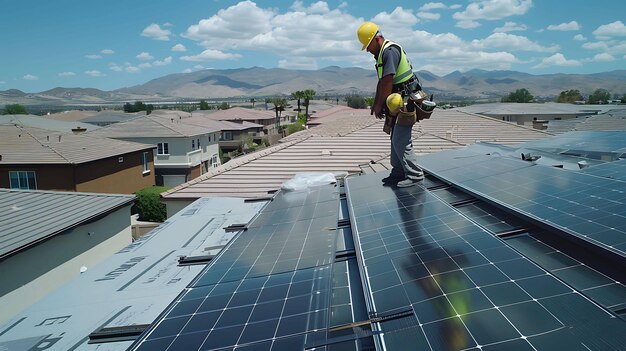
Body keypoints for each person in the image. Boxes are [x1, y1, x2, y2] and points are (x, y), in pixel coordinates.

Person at [357, 21, 425, 187]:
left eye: (368, 45)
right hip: (397, 101)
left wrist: (381, 105)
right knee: (395, 137)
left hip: (407, 100)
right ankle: (398, 172)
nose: (367, 49)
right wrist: (376, 103)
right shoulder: (381, 55)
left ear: (376, 39)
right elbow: (382, 82)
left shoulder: (390, 51)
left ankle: (415, 175)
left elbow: (388, 81)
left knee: (401, 139)